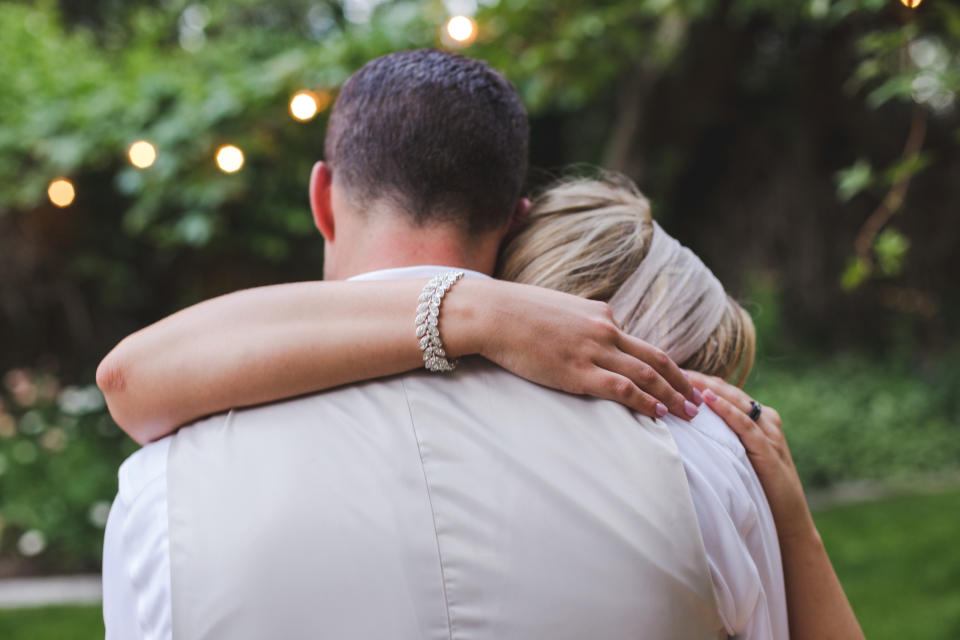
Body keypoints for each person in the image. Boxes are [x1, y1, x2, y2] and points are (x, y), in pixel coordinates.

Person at [101, 50, 788, 639]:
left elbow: (126, 380)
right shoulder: (699, 461)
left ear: (321, 199)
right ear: (516, 219)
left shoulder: (166, 492)